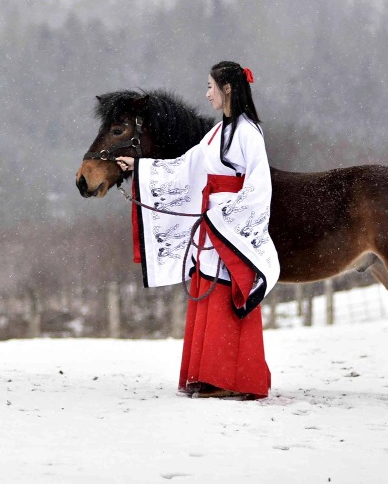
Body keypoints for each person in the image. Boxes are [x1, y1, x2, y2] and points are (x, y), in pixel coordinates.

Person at [117, 61, 279, 399]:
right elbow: (186, 166)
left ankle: (232, 379)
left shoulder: (249, 133)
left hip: (228, 227)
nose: (206, 95)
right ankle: (207, 374)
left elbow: (259, 187)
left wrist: (225, 218)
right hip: (213, 224)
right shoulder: (217, 132)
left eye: (210, 87)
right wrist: (140, 167)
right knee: (209, 294)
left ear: (228, 89)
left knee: (226, 298)